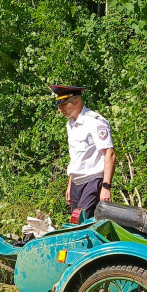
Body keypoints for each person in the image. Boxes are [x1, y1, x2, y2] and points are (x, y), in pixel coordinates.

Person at [50, 84, 117, 219]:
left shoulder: (95, 121)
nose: (60, 110)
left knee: (83, 221)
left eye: (63, 105)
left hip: (93, 181)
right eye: (59, 106)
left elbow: (110, 154)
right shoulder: (70, 124)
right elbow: (76, 157)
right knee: (76, 221)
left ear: (76, 102)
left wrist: (106, 187)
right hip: (76, 183)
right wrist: (70, 184)